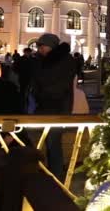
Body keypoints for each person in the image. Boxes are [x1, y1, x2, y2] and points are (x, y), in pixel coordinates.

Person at [30, 33, 76, 180]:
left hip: (57, 107)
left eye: (42, 46)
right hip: (46, 106)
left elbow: (59, 85)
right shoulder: (44, 60)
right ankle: (52, 171)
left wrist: (42, 92)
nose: (39, 49)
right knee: (47, 139)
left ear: (50, 46)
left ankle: (56, 174)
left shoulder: (64, 61)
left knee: (53, 141)